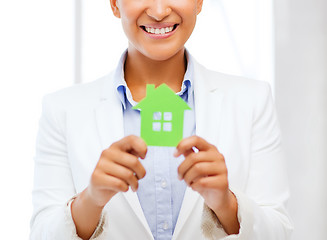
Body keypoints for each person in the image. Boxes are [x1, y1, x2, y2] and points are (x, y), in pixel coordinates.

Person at [30, 0, 293, 239]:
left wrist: (226, 204)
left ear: (199, 2)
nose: (158, 11)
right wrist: (91, 200)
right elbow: (42, 234)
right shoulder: (61, 109)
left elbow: (280, 232)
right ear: (114, 4)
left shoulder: (253, 100)